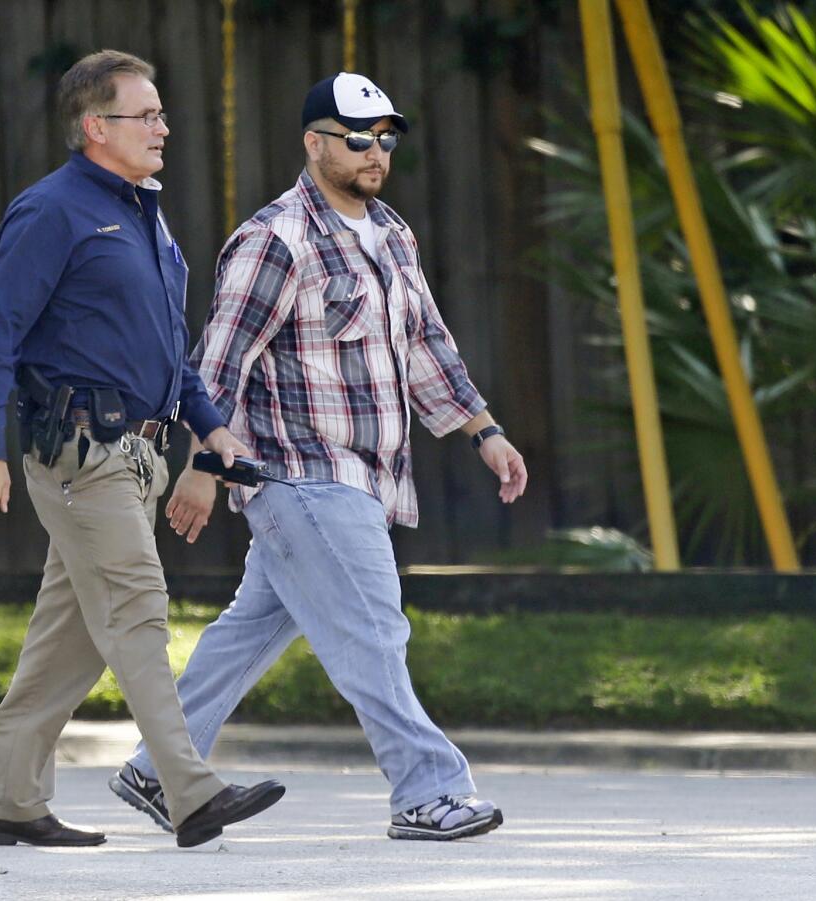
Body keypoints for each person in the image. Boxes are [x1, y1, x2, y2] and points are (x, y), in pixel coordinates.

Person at [109, 72, 527, 842]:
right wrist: (206, 464)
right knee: (374, 627)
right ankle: (426, 791)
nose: (376, 152)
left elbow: (429, 345)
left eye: (386, 137)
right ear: (314, 143)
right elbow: (218, 361)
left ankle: (157, 765)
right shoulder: (276, 239)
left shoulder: (393, 234)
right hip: (298, 474)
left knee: (253, 626)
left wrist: (484, 431)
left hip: (368, 478)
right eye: (357, 137)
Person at [0, 50, 284, 850]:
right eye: (147, 115)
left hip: (139, 456)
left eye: (163, 113)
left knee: (65, 642)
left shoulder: (144, 211)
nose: (164, 127)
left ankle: (10, 801)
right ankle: (189, 789)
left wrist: (209, 426)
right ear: (95, 127)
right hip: (75, 455)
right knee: (138, 605)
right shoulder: (53, 211)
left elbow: (170, 352)